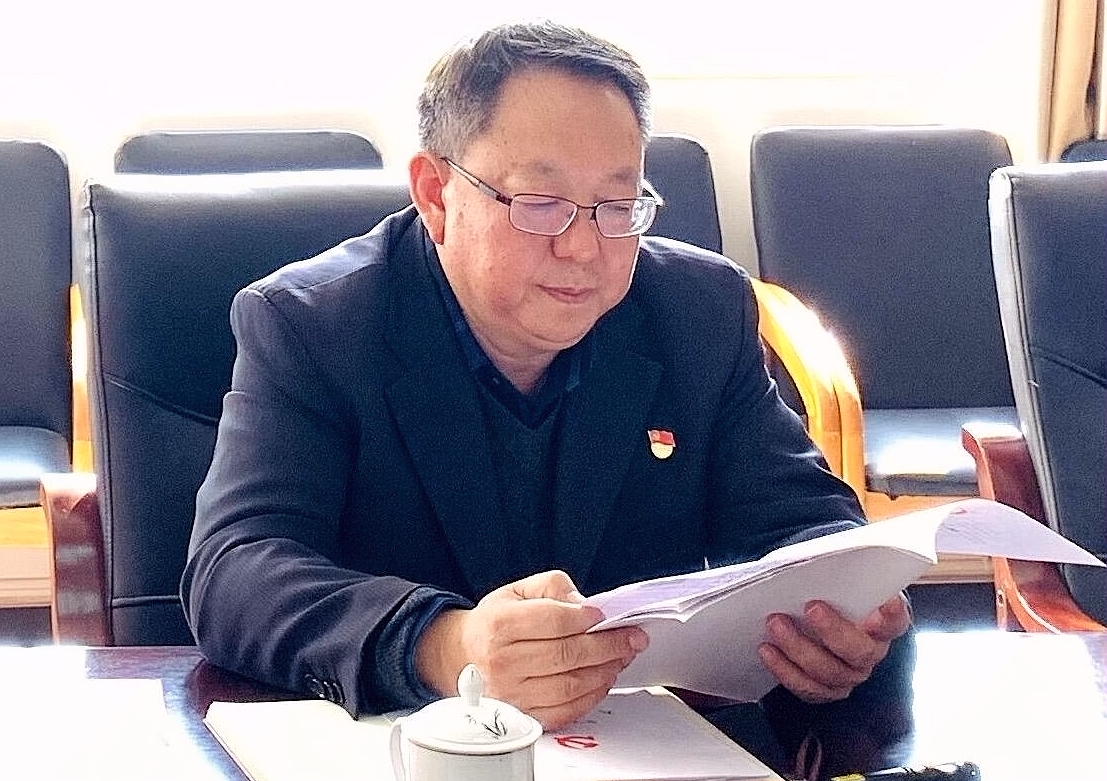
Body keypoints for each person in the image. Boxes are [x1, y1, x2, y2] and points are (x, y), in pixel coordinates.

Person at [181, 19, 912, 733]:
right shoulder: (315, 326)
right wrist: (446, 647)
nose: (583, 248)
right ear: (436, 193)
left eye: (617, 207)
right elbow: (235, 573)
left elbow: (800, 519)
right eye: (541, 205)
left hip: (641, 743)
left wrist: (840, 611)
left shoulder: (697, 309)